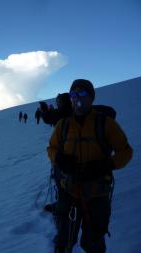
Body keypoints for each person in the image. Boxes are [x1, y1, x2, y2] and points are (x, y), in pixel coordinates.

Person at [47, 79, 133, 253]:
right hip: (69, 190)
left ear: (91, 98)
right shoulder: (63, 125)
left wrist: (104, 165)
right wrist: (60, 159)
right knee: (64, 239)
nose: (77, 98)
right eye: (73, 94)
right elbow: (51, 148)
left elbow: (125, 152)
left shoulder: (105, 123)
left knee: (93, 242)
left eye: (82, 93)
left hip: (97, 194)